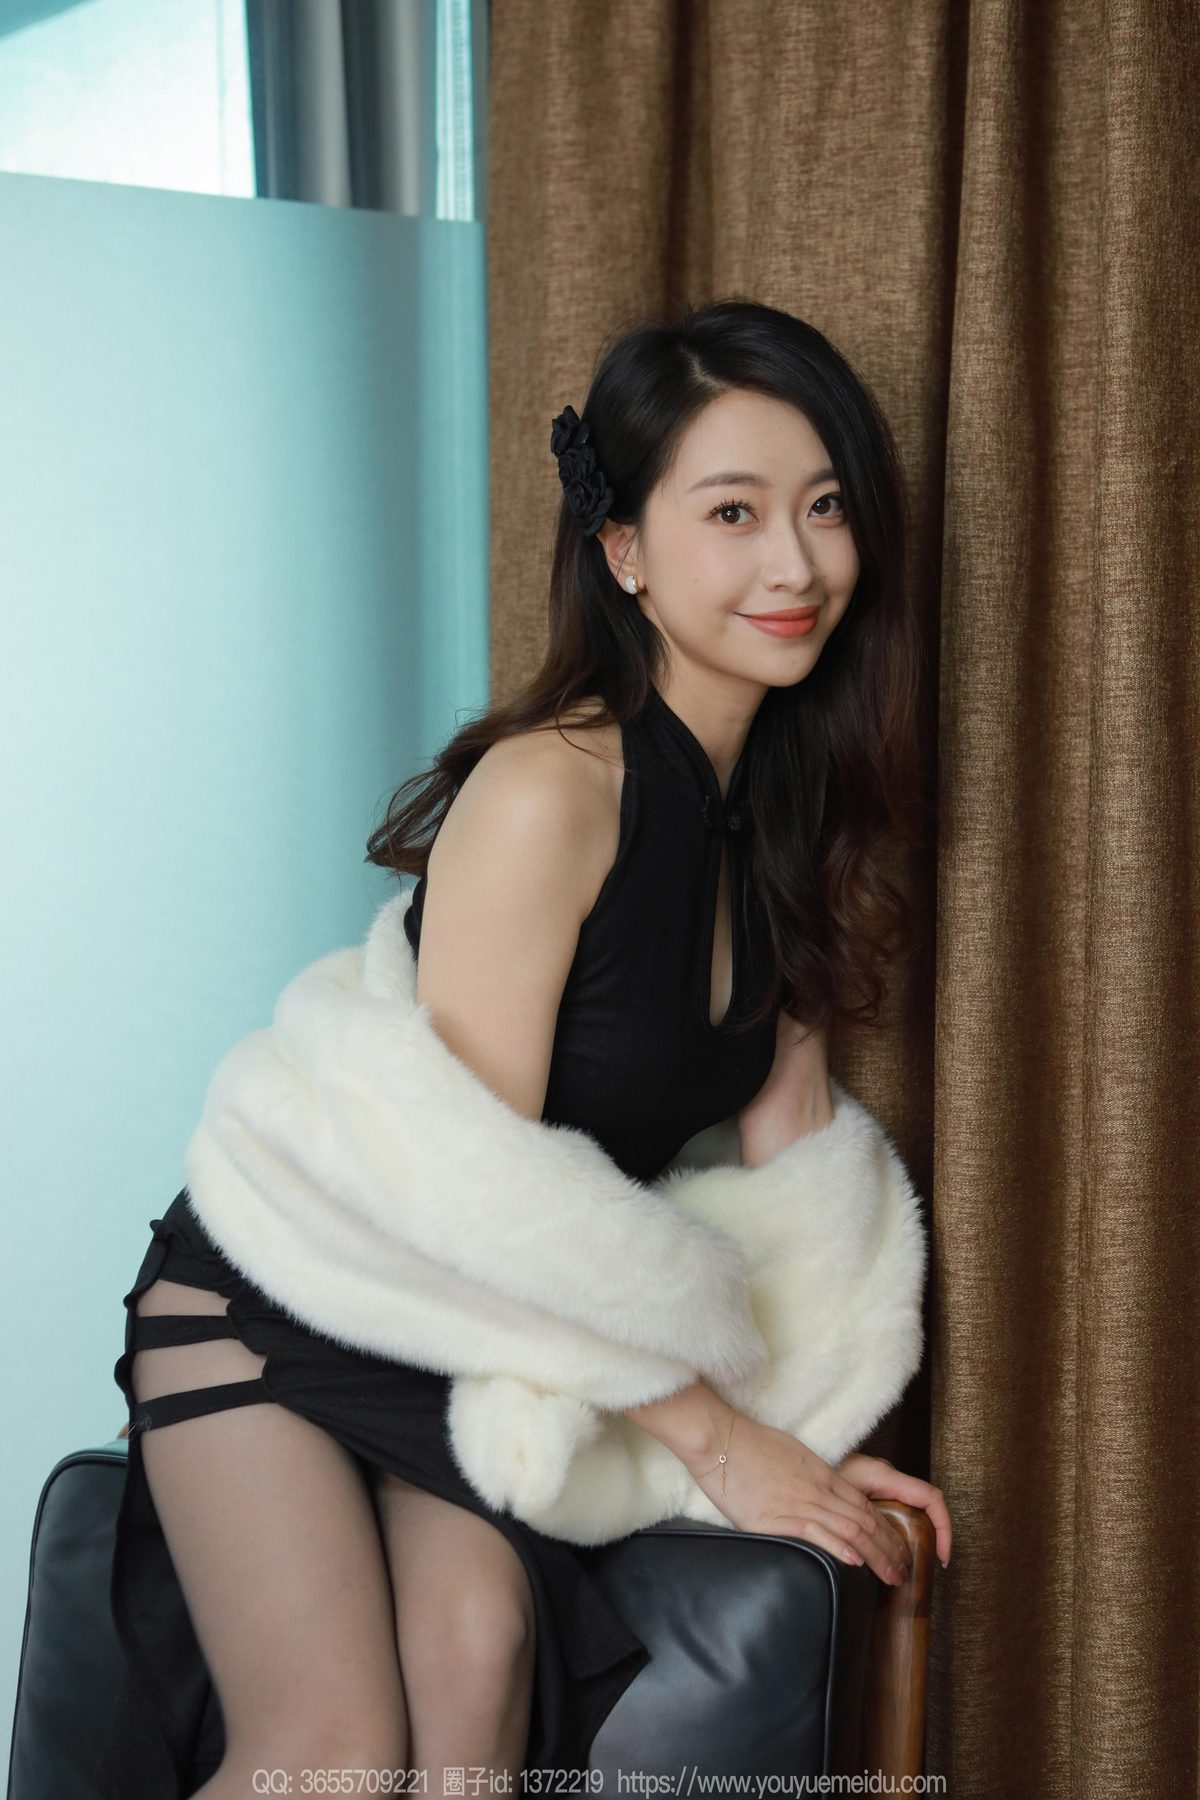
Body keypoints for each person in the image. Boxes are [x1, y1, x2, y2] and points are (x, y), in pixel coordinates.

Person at [105, 297, 953, 1798]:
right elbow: (468, 1195)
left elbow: (801, 1188)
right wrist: (716, 1442)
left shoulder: (790, 822)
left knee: (480, 1663)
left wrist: (807, 1445)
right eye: (734, 512)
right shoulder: (548, 790)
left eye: (825, 508)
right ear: (624, 551)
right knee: (335, 1751)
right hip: (288, 1295)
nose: (795, 563)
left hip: (476, 1343)